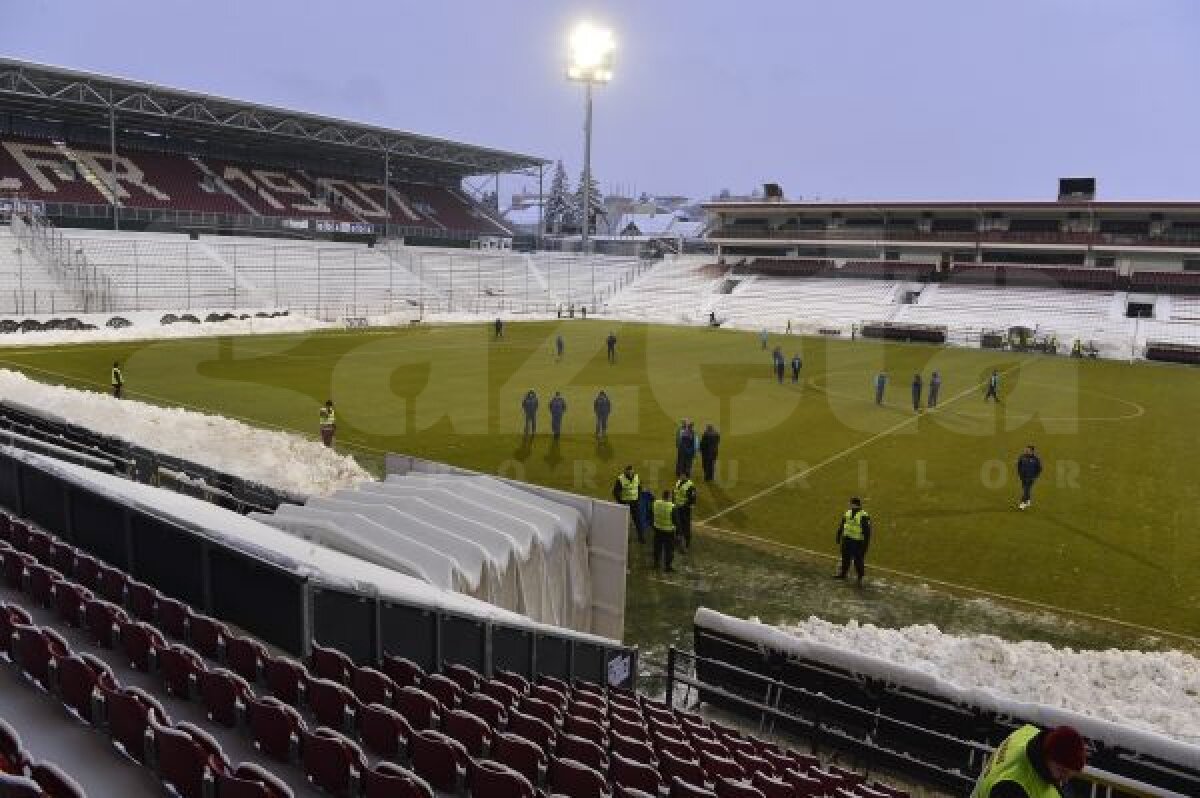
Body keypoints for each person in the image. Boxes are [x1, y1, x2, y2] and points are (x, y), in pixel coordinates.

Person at [971, 724, 1087, 798]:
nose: (1065, 779)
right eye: (1062, 771)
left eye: (1071, 774)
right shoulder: (1012, 789)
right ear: (1046, 756)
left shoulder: (1030, 735)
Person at [833, 497, 871, 586]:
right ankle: (843, 574)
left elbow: (867, 532)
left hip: (857, 541)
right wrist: (839, 534)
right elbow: (842, 524)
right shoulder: (848, 512)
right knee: (845, 557)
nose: (849, 505)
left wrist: (865, 545)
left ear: (854, 504)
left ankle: (860, 577)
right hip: (847, 539)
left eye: (850, 503)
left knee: (858, 559)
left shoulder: (863, 515)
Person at [612, 465, 644, 542]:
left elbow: (639, 487)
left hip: (635, 503)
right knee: (625, 522)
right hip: (625, 504)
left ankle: (641, 537)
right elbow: (615, 492)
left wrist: (638, 498)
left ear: (633, 471)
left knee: (637, 520)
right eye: (628, 472)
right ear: (625, 472)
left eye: (631, 472)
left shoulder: (636, 477)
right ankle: (625, 538)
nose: (630, 474)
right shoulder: (620, 479)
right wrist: (621, 502)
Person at [651, 489, 678, 573]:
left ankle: (656, 563)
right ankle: (667, 566)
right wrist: (679, 532)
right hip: (668, 531)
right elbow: (676, 521)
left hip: (657, 529)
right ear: (669, 497)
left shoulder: (656, 503)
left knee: (657, 547)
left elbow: (651, 513)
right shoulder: (672, 507)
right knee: (669, 549)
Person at [673, 472, 697, 551]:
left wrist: (685, 506)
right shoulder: (679, 482)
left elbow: (692, 498)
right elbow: (675, 492)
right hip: (677, 507)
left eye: (682, 475)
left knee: (686, 525)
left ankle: (687, 543)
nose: (680, 476)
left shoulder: (690, 485)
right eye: (680, 475)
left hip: (685, 509)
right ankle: (677, 539)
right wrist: (673, 502)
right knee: (677, 523)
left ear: (686, 476)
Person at [1016, 445, 1043, 510]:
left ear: (1032, 451)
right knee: (1025, 489)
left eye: (1028, 450)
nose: (1026, 451)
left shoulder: (1036, 459)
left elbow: (1039, 469)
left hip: (1030, 477)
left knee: (1026, 489)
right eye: (1026, 450)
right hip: (1023, 477)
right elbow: (1019, 465)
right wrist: (1019, 474)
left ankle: (1022, 503)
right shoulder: (1022, 457)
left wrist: (1035, 476)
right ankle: (1028, 500)